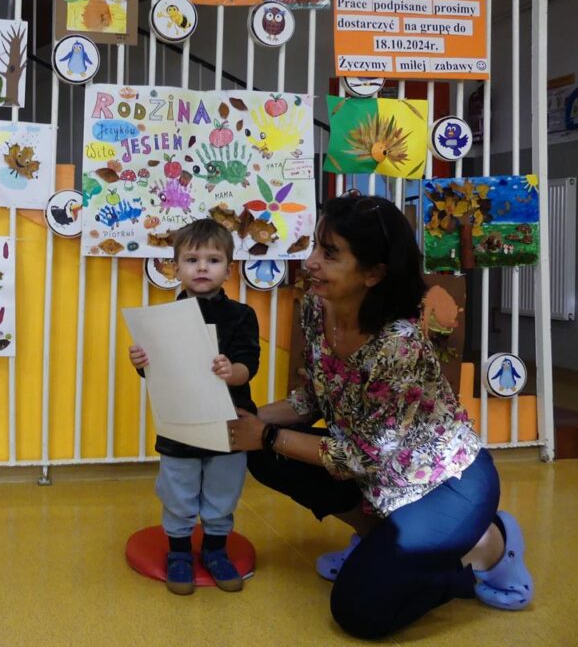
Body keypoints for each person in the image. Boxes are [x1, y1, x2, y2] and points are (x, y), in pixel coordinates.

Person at [228, 193, 534, 638]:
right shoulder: (316, 307)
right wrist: (246, 420)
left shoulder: (399, 345)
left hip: (443, 485)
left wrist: (267, 434)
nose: (310, 262)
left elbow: (359, 457)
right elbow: (314, 397)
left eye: (329, 253)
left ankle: (486, 550)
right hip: (381, 473)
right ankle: (380, 542)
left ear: (373, 273)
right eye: (314, 247)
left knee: (359, 611)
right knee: (263, 453)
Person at [128, 219, 260, 595]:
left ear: (229, 269)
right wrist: (141, 362)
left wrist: (231, 370)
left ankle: (216, 550)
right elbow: (156, 374)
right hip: (180, 423)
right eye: (191, 260)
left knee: (223, 490)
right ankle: (180, 553)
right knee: (178, 489)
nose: (202, 267)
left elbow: (249, 365)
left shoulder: (242, 316)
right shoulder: (162, 320)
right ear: (175, 268)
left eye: (213, 260)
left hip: (228, 422)